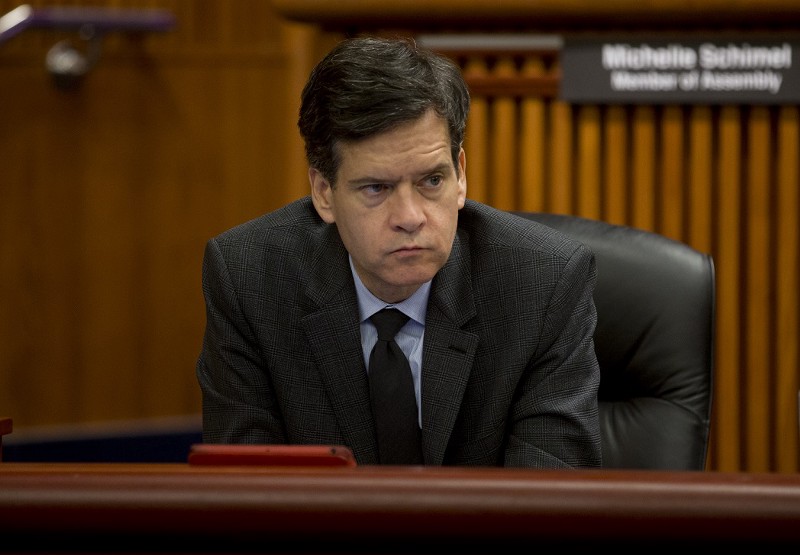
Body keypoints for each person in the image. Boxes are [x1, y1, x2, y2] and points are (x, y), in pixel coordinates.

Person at [197, 36, 602, 467]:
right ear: (324, 193)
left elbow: (548, 502)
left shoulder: (543, 284)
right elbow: (246, 495)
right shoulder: (250, 279)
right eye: (377, 187)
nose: (410, 217)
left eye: (431, 181)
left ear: (460, 175)